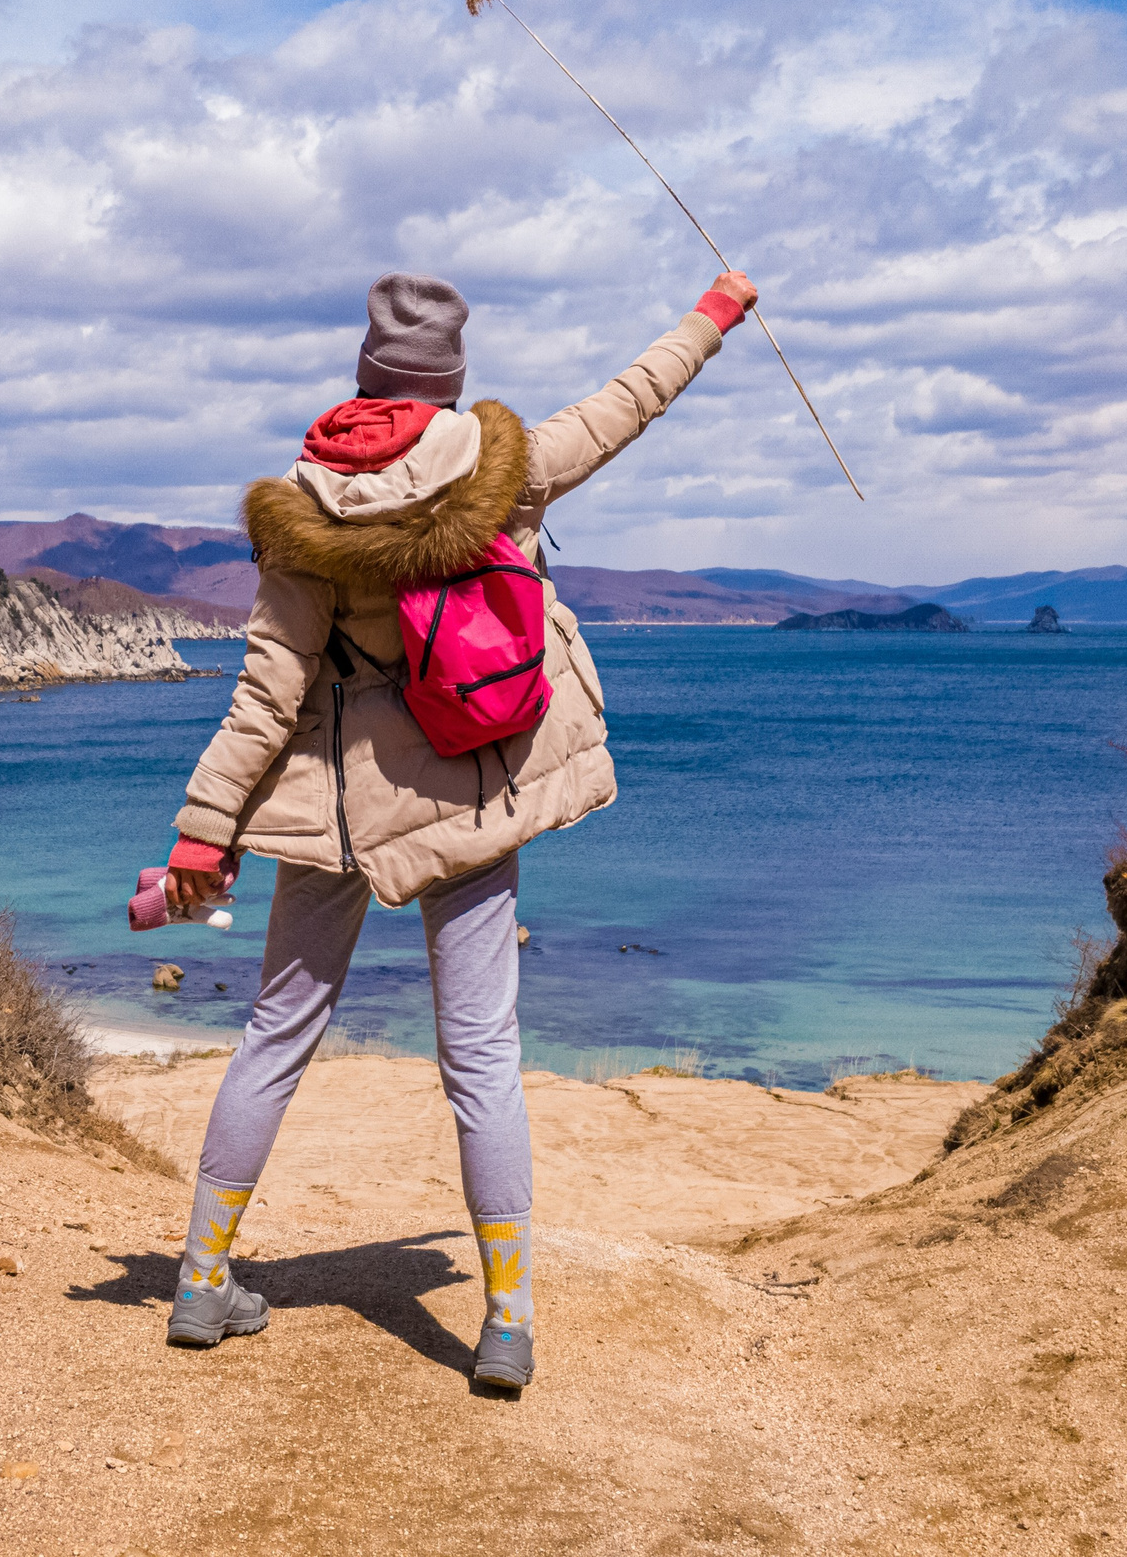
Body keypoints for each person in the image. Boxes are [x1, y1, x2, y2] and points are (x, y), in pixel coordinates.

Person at [157, 265, 760, 1389]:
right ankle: (507, 1321)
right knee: (482, 1053)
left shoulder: (303, 512)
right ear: (449, 383)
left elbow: (263, 696)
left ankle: (200, 1279)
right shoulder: (507, 468)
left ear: (365, 377)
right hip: (474, 800)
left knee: (277, 1030)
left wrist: (202, 833)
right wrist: (715, 313)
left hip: (335, 815)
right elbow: (634, 397)